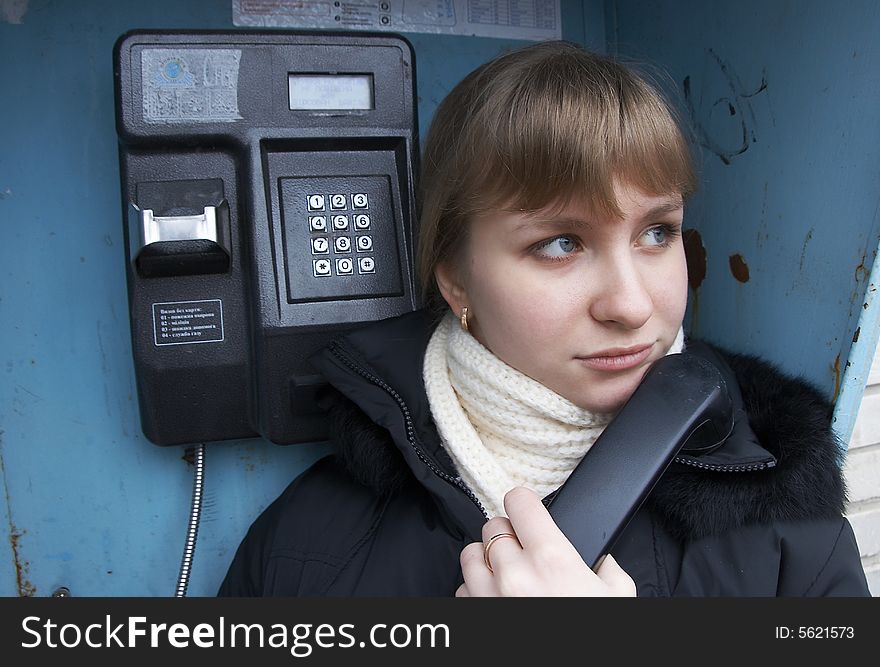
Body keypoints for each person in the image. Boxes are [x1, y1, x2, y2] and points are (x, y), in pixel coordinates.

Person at [218, 41, 870, 597]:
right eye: (560, 242)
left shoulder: (780, 512)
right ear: (455, 278)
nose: (632, 305)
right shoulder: (310, 547)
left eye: (657, 232)